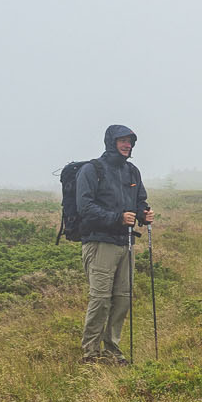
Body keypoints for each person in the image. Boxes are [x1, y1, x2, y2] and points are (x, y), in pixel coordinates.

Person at [77, 125, 152, 362]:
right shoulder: (92, 170)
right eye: (122, 140)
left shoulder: (132, 171)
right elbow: (85, 207)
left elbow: (140, 200)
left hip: (125, 242)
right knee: (100, 299)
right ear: (111, 142)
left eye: (130, 141)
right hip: (99, 243)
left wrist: (144, 214)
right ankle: (90, 353)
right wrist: (117, 218)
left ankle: (112, 351)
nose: (127, 145)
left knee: (122, 298)